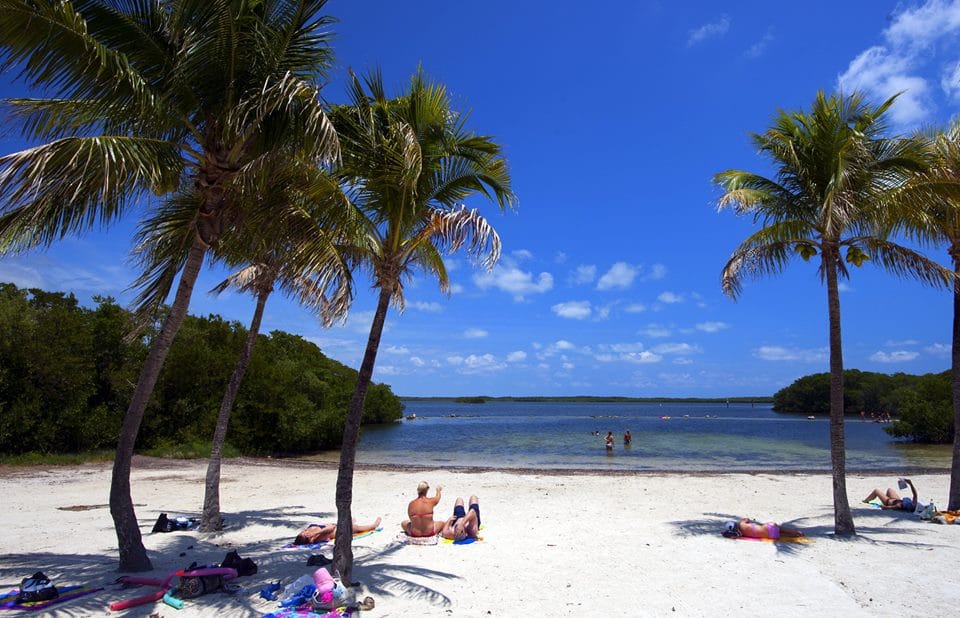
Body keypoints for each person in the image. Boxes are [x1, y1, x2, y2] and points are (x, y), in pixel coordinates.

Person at [294, 517, 381, 544]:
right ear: (308, 538)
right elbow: (330, 529)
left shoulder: (309, 530)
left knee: (349, 522)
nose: (305, 531)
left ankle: (350, 521)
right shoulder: (315, 538)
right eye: (305, 534)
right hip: (340, 530)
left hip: (335, 525)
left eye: (302, 532)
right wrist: (316, 532)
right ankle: (374, 525)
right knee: (358, 528)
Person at [723, 518, 804, 539]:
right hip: (769, 528)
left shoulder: (741, 534)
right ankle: (796, 532)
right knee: (778, 527)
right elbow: (746, 519)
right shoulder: (741, 524)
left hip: (771, 536)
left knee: (780, 533)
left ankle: (794, 535)